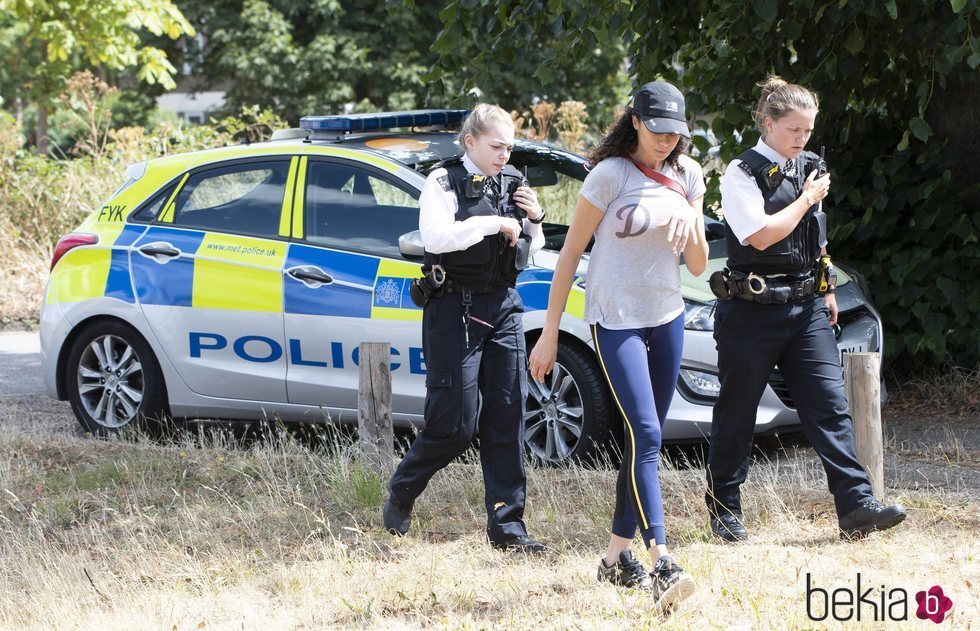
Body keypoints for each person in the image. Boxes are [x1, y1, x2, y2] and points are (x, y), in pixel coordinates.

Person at [529, 81, 708, 610]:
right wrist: (549, 334)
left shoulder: (689, 175)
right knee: (648, 431)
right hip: (616, 320)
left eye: (676, 133)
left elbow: (697, 265)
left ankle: (612, 560)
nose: (667, 142)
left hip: (667, 316)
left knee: (640, 443)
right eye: (657, 131)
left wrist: (691, 219)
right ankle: (662, 562)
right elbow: (567, 260)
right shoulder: (609, 176)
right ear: (635, 121)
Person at [705, 76, 906, 542]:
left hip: (806, 305)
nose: (802, 139)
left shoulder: (809, 165)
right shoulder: (741, 172)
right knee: (737, 413)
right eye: (794, 130)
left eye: (809, 130)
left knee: (829, 407)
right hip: (750, 311)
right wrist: (806, 198)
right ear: (769, 123)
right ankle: (724, 511)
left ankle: (857, 506)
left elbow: (815, 233)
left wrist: (827, 284)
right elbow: (760, 235)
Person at [383, 103, 547, 553]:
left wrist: (534, 220)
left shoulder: (513, 180)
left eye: (509, 146)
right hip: (455, 306)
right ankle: (403, 487)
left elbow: (529, 247)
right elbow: (436, 239)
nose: (504, 154)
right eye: (496, 146)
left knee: (507, 417)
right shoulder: (443, 181)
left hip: (504, 307)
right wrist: (494, 221)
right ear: (470, 141)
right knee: (454, 424)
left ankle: (508, 529)